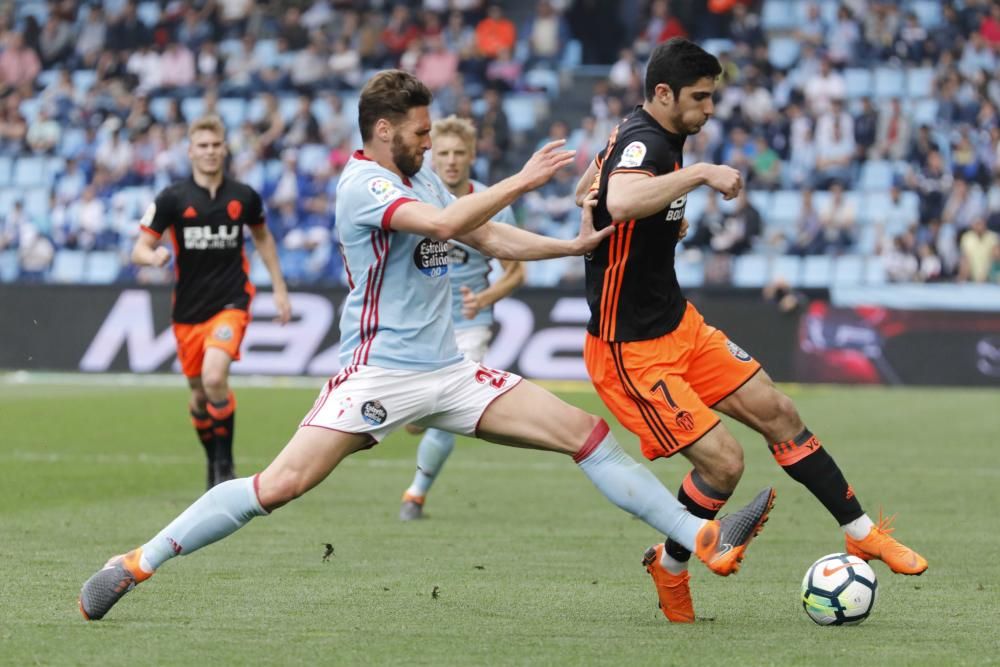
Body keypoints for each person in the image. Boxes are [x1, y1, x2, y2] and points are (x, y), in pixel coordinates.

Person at [80, 70, 775, 622]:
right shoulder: (363, 184)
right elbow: (447, 218)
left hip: (451, 368)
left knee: (585, 433)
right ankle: (137, 560)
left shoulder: (419, 175)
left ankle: (699, 536)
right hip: (379, 374)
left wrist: (570, 244)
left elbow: (487, 237)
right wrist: (521, 181)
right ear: (384, 130)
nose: (427, 139)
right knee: (278, 486)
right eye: (418, 131)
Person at [573, 39, 926, 624]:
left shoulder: (643, 135)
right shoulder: (646, 140)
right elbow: (623, 195)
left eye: (712, 96)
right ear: (663, 95)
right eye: (700, 98)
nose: (710, 108)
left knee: (779, 413)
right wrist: (701, 176)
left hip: (680, 326)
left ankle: (860, 532)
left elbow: (593, 190)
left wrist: (610, 215)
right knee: (724, 465)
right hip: (629, 349)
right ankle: (672, 567)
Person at [131, 114, 291, 490]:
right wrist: (152, 258)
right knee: (200, 397)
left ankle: (225, 467)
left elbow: (264, 239)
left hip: (231, 300)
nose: (210, 152)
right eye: (202, 146)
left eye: (216, 145)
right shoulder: (172, 198)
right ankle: (212, 464)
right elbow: (139, 247)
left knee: (215, 376)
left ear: (225, 148)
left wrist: (279, 288)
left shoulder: (244, 196)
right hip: (188, 310)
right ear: (190, 151)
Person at [399, 115, 525, 521]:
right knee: (418, 419)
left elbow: (517, 271)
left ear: (472, 156)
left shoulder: (490, 206)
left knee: (447, 412)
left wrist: (484, 297)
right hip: (423, 323)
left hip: (471, 325)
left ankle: (414, 496)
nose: (451, 161)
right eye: (444, 153)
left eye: (459, 153)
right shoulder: (416, 200)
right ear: (433, 156)